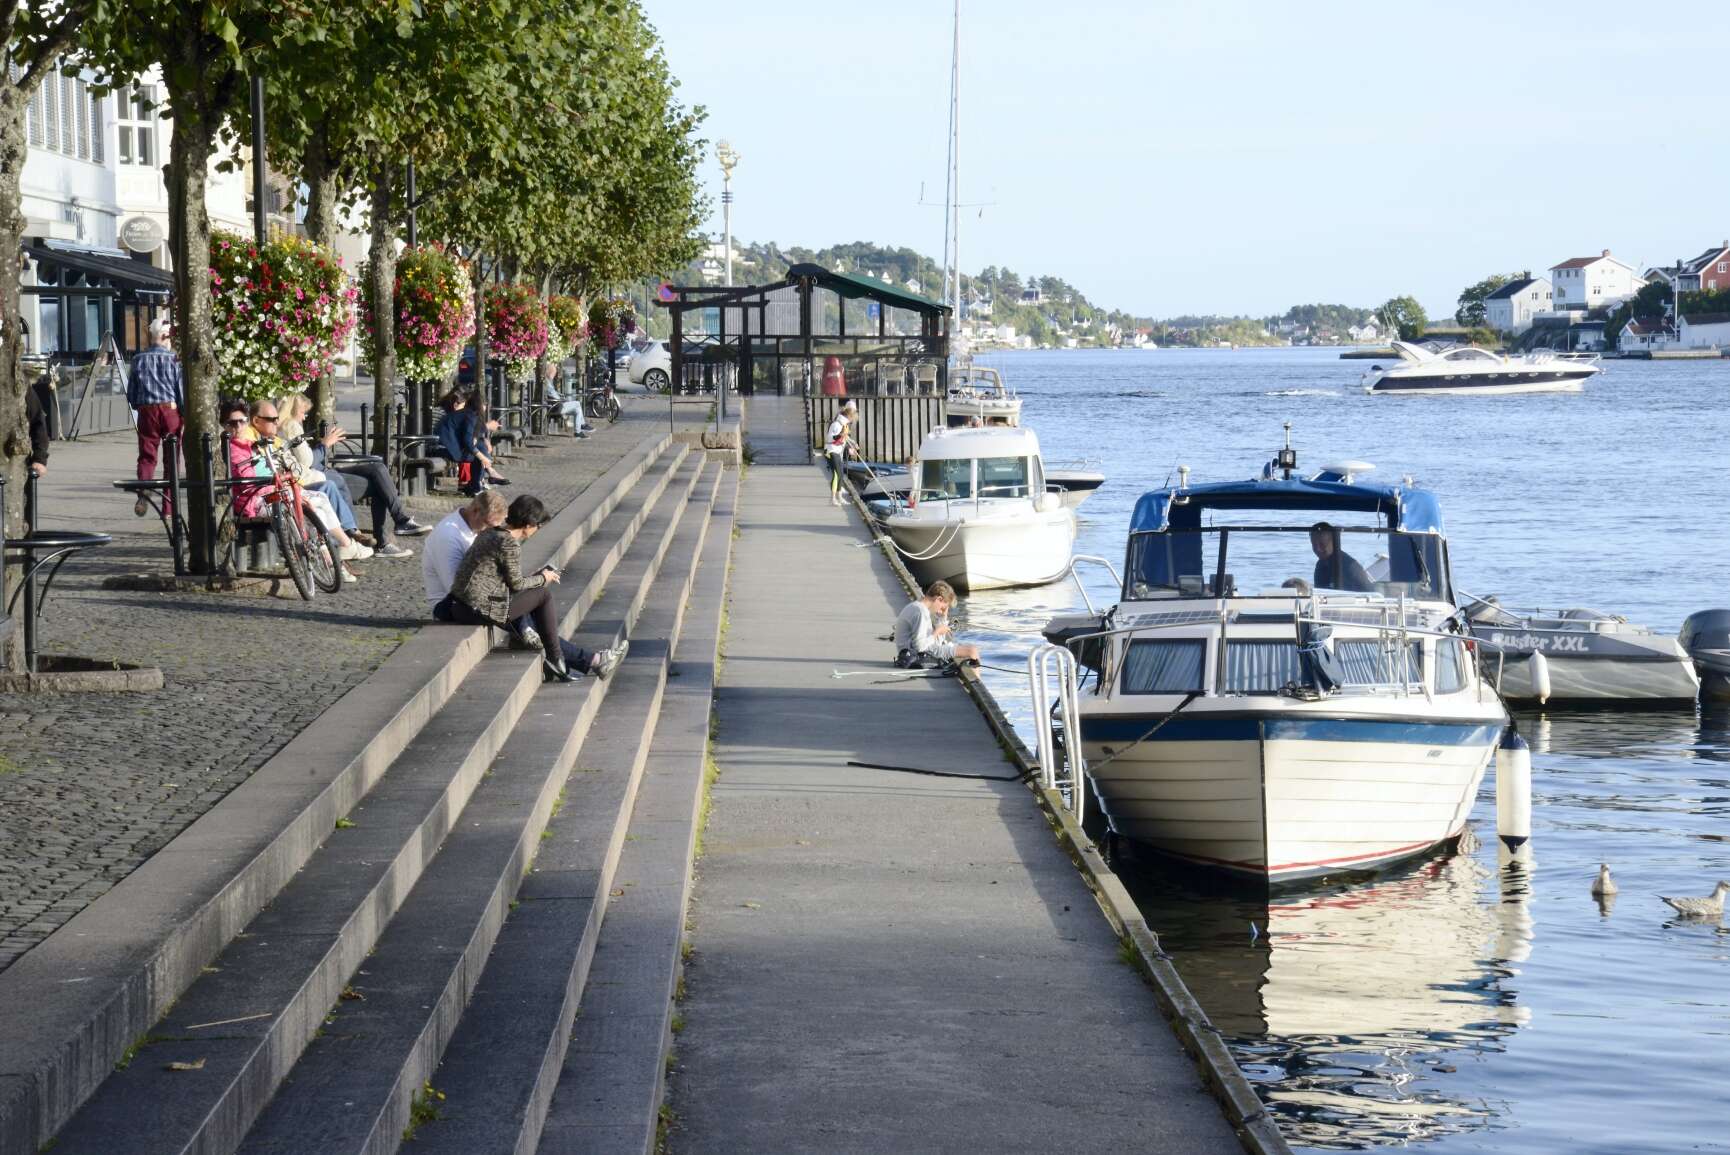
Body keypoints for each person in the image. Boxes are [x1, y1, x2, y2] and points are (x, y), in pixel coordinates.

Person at [443, 494, 626, 682]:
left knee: (535, 608)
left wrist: (535, 578)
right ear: (529, 524)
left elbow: (501, 580)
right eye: (538, 525)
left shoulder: (490, 533)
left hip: (463, 605)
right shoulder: (508, 543)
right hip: (478, 608)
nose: (538, 529)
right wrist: (542, 578)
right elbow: (516, 585)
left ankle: (582, 660)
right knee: (543, 595)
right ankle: (558, 659)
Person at [226, 397, 369, 579]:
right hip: (257, 501)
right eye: (233, 423)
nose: (239, 426)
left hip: (274, 492)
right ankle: (338, 553)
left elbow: (281, 469)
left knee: (320, 501)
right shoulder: (238, 447)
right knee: (321, 493)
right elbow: (251, 481)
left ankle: (340, 551)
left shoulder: (255, 443)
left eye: (242, 421)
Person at [280, 393, 426, 558]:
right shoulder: (291, 426)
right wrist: (324, 445)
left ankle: (400, 521)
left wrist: (323, 446)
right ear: (293, 410)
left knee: (377, 468)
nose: (304, 417)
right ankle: (383, 538)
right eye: (303, 412)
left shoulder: (288, 426)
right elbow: (307, 461)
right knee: (378, 485)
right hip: (319, 475)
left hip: (325, 471)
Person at [127, 317, 183, 516]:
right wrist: (182, 413)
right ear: (165, 336)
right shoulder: (174, 360)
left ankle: (144, 492)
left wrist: (140, 405)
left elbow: (131, 393)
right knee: (171, 458)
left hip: (146, 411)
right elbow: (180, 390)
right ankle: (169, 507)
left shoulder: (138, 359)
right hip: (170, 410)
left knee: (147, 456)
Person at [892, 579, 980, 668]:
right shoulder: (920, 612)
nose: (940, 611)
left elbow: (935, 643)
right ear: (939, 599)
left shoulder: (919, 608)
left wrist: (943, 618)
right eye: (943, 608)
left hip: (916, 653)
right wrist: (937, 632)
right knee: (972, 651)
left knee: (965, 648)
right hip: (914, 656)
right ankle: (974, 677)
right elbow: (920, 647)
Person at [1307, 522, 1375, 593]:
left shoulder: (1349, 566)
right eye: (1314, 545)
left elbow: (1370, 593)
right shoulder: (1320, 564)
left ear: (1333, 542)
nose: (1318, 549)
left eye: (1322, 545)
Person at [824, 399, 857, 506]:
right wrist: (840, 435)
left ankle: (839, 497)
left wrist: (853, 444)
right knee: (836, 474)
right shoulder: (836, 424)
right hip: (830, 451)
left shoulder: (845, 424)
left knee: (841, 474)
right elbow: (829, 439)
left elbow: (845, 438)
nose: (854, 418)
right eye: (853, 415)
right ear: (849, 414)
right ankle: (832, 498)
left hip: (838, 452)